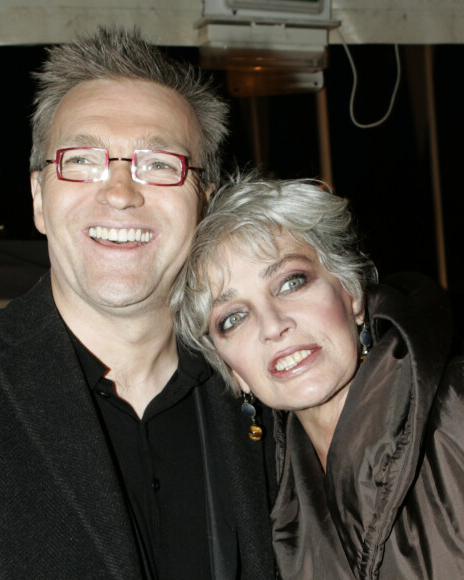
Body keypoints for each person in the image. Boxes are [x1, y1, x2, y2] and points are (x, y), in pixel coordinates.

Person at [0, 28, 276, 578]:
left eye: (159, 163)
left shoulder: (265, 390)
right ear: (40, 199)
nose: (120, 192)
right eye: (83, 159)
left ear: (203, 204)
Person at [174, 174, 464, 579]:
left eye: (291, 282)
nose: (272, 325)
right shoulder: (270, 511)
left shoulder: (456, 415)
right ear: (230, 370)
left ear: (352, 293)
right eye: (233, 318)